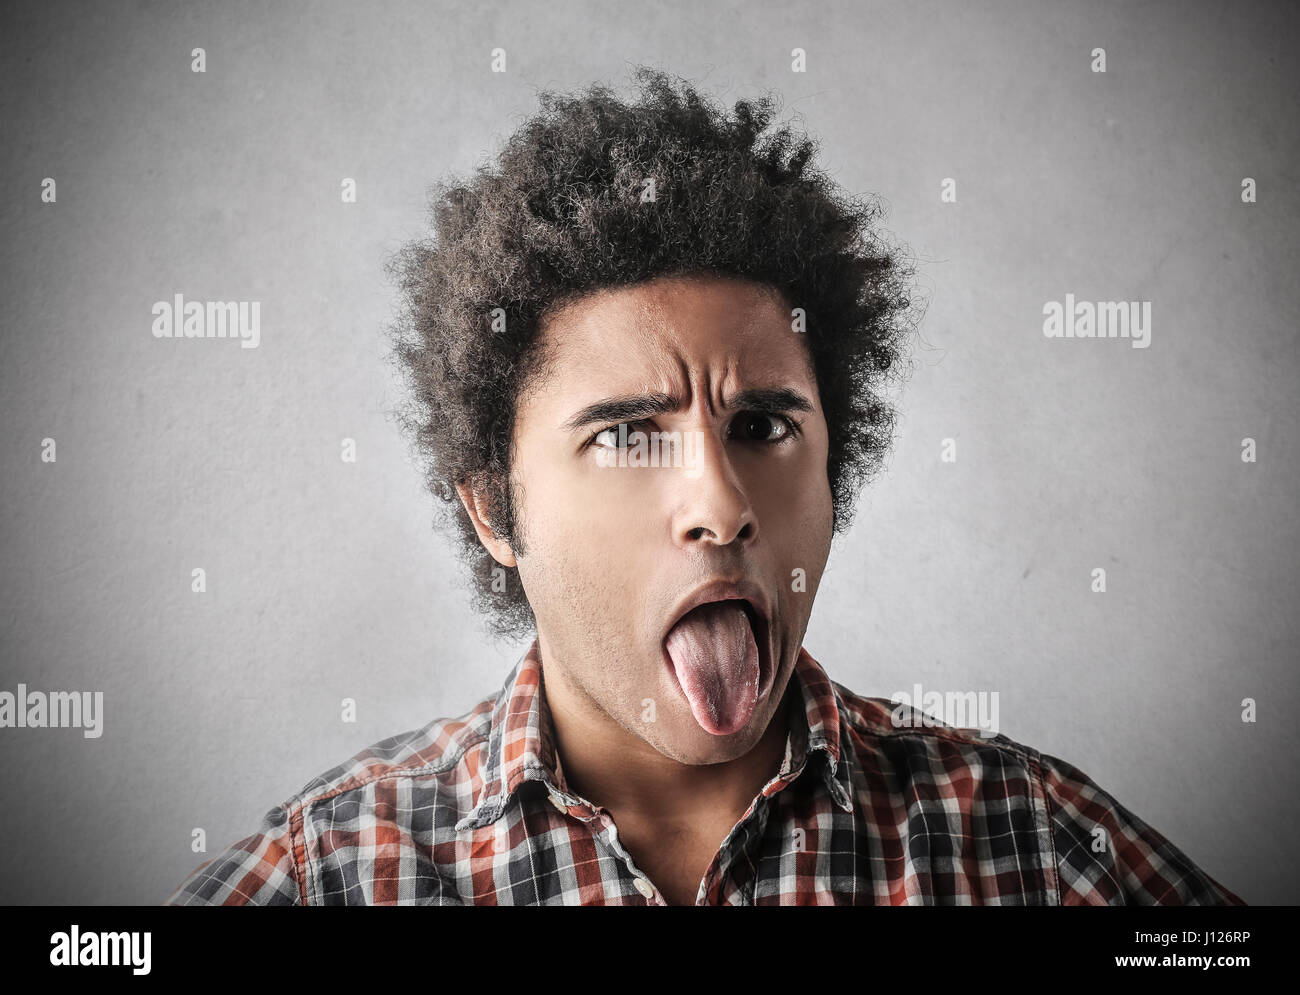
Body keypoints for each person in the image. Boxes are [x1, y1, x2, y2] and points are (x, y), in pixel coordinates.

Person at [166, 68, 1242, 906]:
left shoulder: (1025, 839)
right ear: (496, 508)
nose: (721, 504)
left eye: (764, 426)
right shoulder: (336, 871)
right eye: (630, 434)